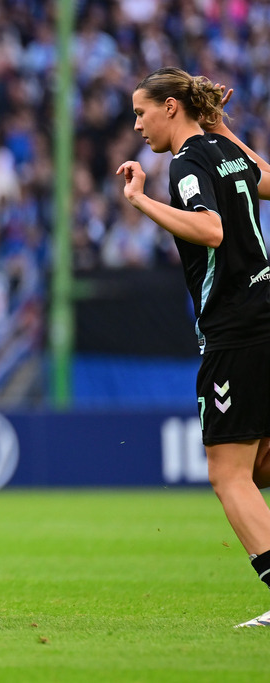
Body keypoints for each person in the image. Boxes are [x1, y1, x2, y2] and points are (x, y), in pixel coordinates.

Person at [117, 67, 270, 628]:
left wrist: (141, 201)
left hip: (234, 327)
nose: (139, 125)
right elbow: (267, 180)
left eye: (142, 112)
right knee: (259, 466)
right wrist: (222, 124)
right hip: (266, 310)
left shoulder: (185, 164)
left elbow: (209, 231)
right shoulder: (223, 150)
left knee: (227, 474)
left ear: (172, 107)